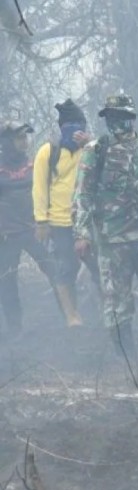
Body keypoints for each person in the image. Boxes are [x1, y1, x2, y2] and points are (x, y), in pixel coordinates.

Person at [73, 94, 138, 359]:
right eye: (112, 117)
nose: (118, 122)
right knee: (118, 303)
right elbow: (83, 194)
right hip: (113, 239)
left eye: (123, 116)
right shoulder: (97, 149)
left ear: (132, 118)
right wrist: (82, 234)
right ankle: (127, 364)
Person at [33, 99, 98, 328]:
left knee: (99, 267)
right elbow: (39, 189)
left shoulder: (92, 148)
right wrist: (42, 221)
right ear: (62, 127)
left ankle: (106, 315)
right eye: (70, 125)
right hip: (60, 223)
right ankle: (72, 316)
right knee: (66, 268)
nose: (75, 131)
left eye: (79, 125)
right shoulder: (48, 152)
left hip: (90, 220)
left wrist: (92, 144)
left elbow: (109, 168)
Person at [0, 122, 54, 336]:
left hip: (34, 230)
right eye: (20, 137)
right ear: (7, 142)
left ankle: (71, 318)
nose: (25, 141)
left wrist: (46, 222)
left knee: (54, 270)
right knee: (7, 281)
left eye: (26, 137)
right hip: (6, 235)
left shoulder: (34, 165)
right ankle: (15, 330)